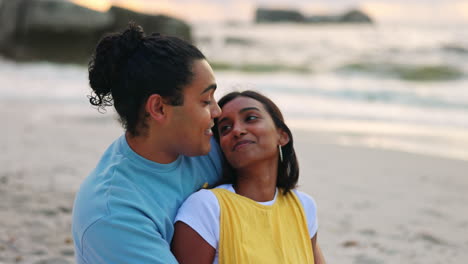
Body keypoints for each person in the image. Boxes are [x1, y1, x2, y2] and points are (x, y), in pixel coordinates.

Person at [72, 23, 222, 264]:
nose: (218, 111)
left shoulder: (209, 146)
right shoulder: (114, 214)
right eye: (206, 101)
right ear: (159, 108)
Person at [172, 90, 326, 263]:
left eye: (251, 118)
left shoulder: (303, 207)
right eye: (225, 128)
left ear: (282, 136)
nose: (237, 131)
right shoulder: (207, 207)